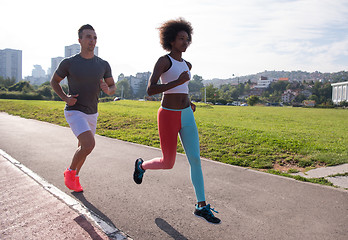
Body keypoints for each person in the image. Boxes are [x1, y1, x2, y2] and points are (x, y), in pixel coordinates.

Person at [133, 18, 220, 224]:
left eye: (187, 38)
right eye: (181, 38)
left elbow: (184, 89)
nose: (185, 41)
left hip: (186, 114)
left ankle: (201, 205)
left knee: (195, 159)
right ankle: (141, 166)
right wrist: (176, 82)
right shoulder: (164, 61)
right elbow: (150, 90)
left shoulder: (188, 64)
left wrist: (189, 102)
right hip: (168, 115)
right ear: (171, 40)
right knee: (168, 163)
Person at [51, 24, 116, 192]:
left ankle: (75, 177)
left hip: (92, 112)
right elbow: (54, 81)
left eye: (94, 38)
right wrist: (65, 97)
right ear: (79, 40)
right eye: (88, 37)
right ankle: (70, 172)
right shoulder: (69, 63)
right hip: (74, 110)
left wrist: (108, 90)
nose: (92, 41)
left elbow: (112, 87)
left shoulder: (103, 64)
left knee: (83, 147)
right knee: (89, 145)